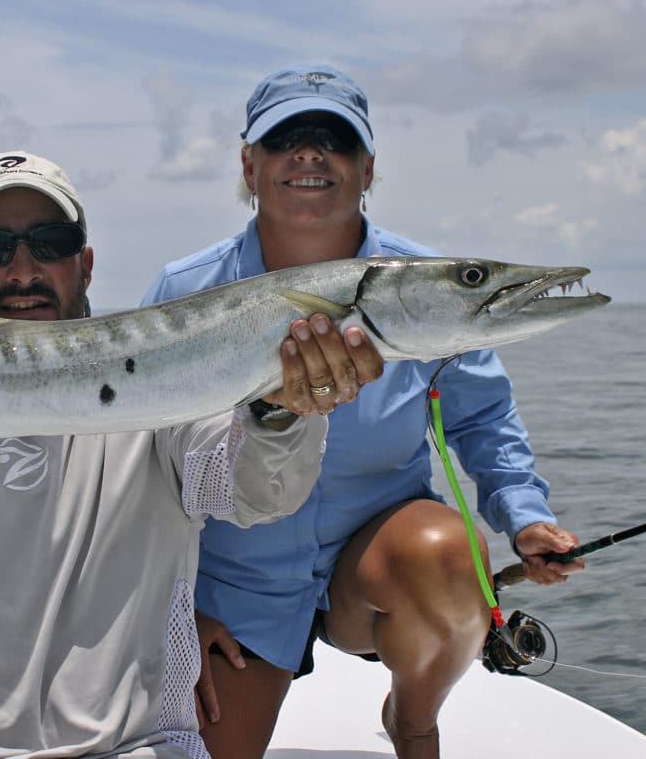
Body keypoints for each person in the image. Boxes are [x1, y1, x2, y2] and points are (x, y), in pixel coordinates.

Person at [0, 150, 385, 759]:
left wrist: (279, 408)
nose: (24, 268)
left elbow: (256, 493)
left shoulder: (167, 375)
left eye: (51, 242)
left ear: (87, 264)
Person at [141, 66, 586, 759]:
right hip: (236, 586)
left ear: (368, 167)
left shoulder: (435, 285)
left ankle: (413, 719)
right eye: (287, 137)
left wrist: (525, 517)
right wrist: (172, 612)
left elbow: (483, 418)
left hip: (376, 563)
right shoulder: (186, 287)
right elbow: (138, 467)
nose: (310, 153)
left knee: (446, 555)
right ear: (248, 164)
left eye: (334, 140)